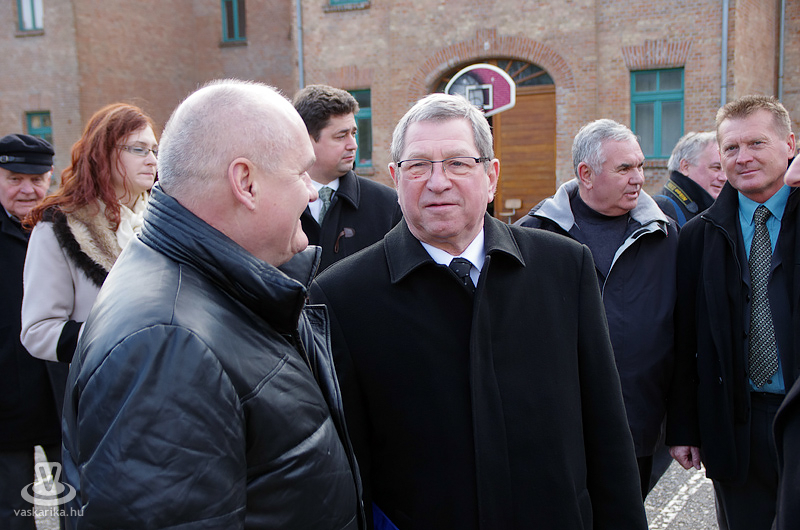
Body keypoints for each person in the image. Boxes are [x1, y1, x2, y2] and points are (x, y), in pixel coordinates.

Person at [311, 93, 647, 529]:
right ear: (396, 178)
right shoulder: (342, 296)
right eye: (418, 165)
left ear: (491, 176)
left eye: (458, 163)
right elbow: (349, 469)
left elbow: (607, 430)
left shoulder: (564, 267)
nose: (438, 182)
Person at [61, 79, 363, 529]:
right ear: (245, 182)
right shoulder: (166, 345)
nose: (311, 191)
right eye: (300, 173)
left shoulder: (210, 294)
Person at [516, 118, 678, 498]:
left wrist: (681, 422)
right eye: (624, 168)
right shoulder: (531, 235)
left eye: (640, 166)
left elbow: (684, 331)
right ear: (586, 174)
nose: (638, 178)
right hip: (559, 431)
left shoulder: (665, 234)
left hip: (639, 427)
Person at [667, 95, 798, 530]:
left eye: (757, 143)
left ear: (789, 145)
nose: (743, 158)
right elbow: (685, 339)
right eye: (731, 148)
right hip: (736, 421)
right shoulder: (698, 236)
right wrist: (684, 427)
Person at [20, 103, 158, 364]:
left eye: (154, 150)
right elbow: (38, 332)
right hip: (108, 379)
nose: (152, 160)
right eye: (139, 149)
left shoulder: (164, 219)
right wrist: (120, 338)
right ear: (102, 154)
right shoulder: (59, 227)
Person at [0, 134, 67, 530]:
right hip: (6, 402)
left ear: (50, 177)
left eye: (37, 179)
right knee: (13, 514)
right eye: (14, 179)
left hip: (61, 396)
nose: (27, 189)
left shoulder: (64, 227)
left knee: (74, 505)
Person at [293, 85, 402, 272]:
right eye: (341, 136)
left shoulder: (387, 205)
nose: (353, 145)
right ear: (307, 139)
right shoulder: (275, 203)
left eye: (353, 133)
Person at [654, 131, 726, 226]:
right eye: (716, 168)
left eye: (725, 169)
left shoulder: (699, 208)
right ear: (685, 167)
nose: (724, 178)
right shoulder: (662, 209)